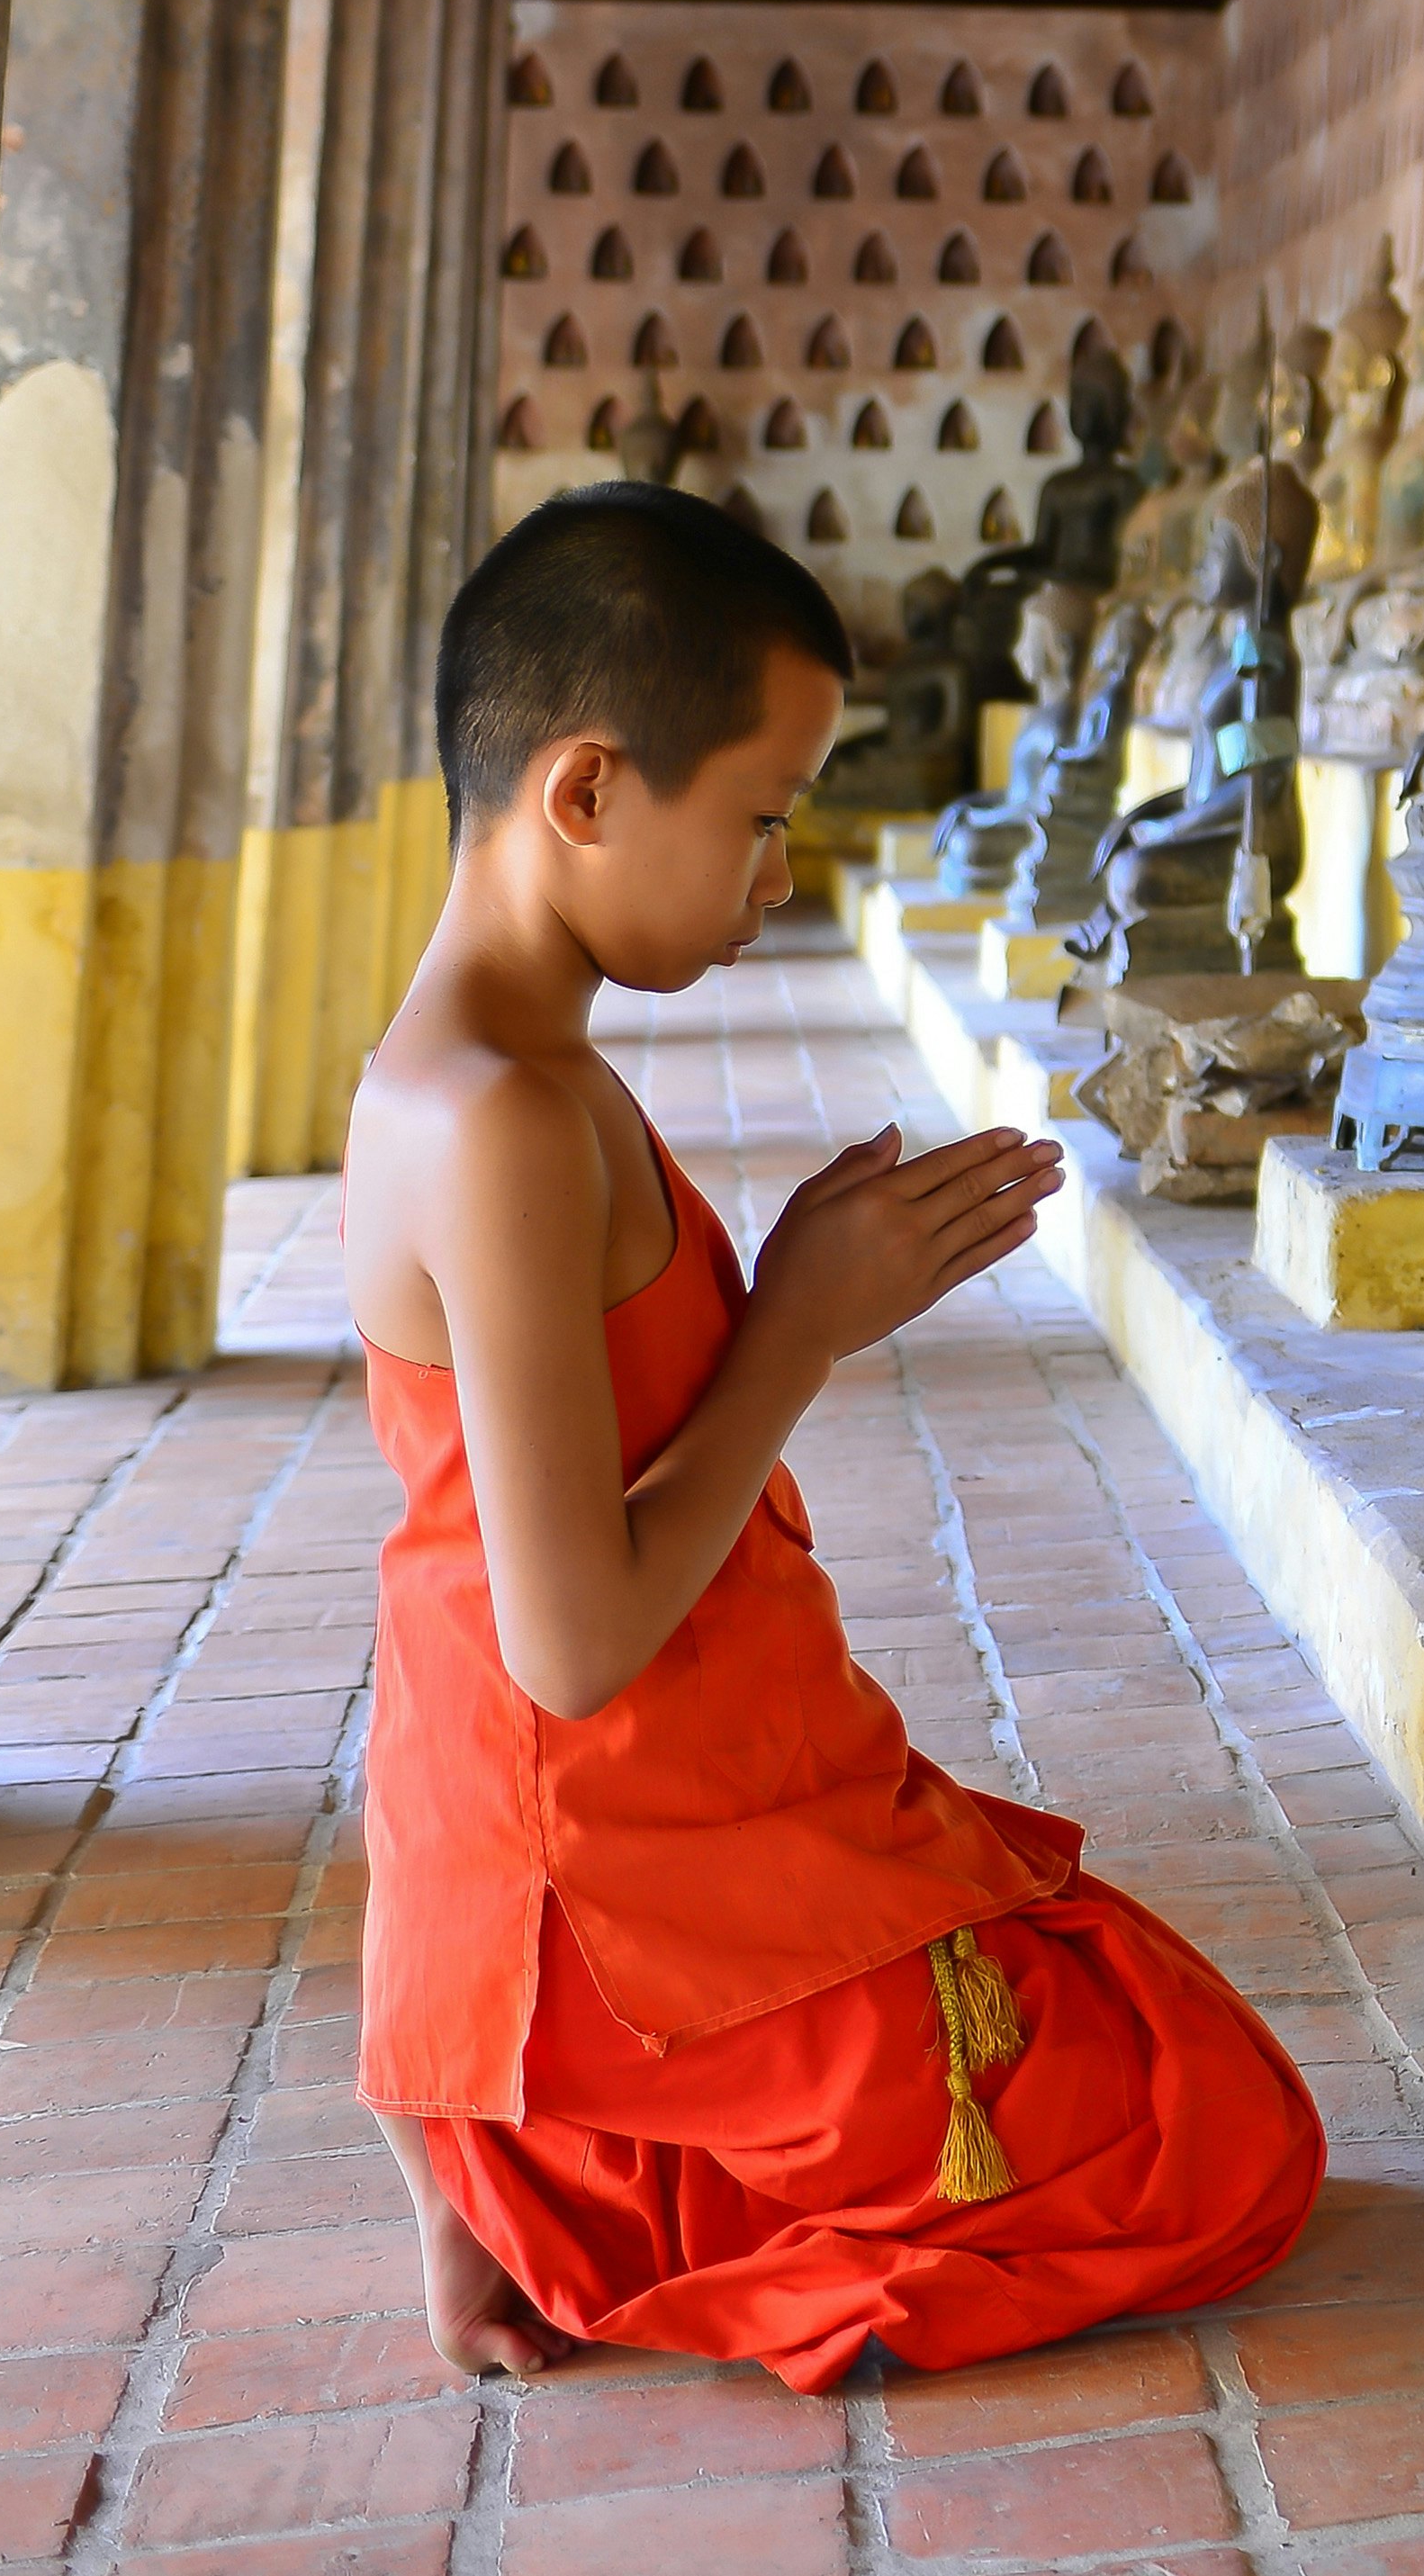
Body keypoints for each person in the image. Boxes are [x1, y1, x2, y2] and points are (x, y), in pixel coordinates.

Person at [347, 484, 1322, 2386]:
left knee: (1162, 2037)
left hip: (661, 1851)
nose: (780, 874)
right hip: (620, 1911)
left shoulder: (513, 1078)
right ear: (585, 793)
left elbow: (465, 1600)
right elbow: (558, 1640)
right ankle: (564, 2174)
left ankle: (553, 2169)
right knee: (1218, 2147)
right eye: (763, 818)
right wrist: (801, 1324)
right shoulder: (498, 1122)